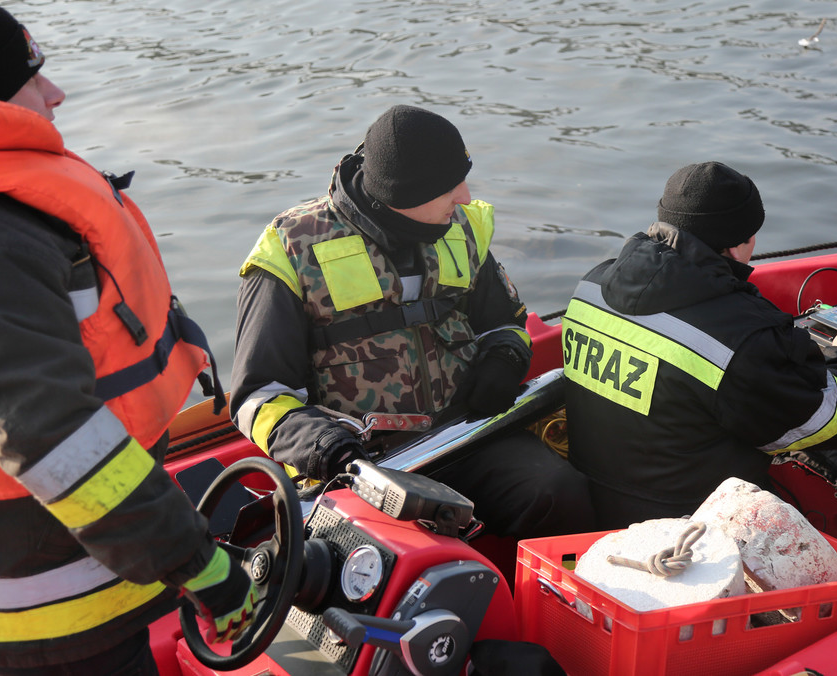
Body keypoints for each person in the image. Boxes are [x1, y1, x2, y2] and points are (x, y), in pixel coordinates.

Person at [0, 1, 258, 673]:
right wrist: (199, 566)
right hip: (43, 622)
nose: (55, 92)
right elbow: (52, 436)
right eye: (31, 76)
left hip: (74, 572)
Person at [230, 104, 594, 539]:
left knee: (558, 492)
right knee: (401, 567)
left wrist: (503, 359)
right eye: (448, 186)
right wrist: (324, 447)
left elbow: (507, 324)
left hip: (467, 436)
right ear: (400, 195)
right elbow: (258, 397)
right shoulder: (290, 251)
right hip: (362, 471)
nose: (464, 196)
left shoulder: (462, 228)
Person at [562, 161, 837, 529]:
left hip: (591, 511)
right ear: (739, 245)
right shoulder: (740, 338)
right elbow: (834, 421)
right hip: (689, 533)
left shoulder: (591, 286)